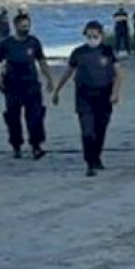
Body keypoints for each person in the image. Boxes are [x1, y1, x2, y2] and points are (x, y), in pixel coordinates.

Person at [54, 20, 122, 177]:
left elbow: (118, 74)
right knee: (87, 131)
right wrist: (57, 90)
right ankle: (89, 163)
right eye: (89, 35)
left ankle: (97, 157)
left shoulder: (108, 51)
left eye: (95, 35)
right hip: (84, 96)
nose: (92, 38)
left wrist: (115, 93)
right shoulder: (79, 52)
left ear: (101, 35)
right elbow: (68, 72)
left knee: (100, 130)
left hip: (104, 95)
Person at [0, 12, 52, 159]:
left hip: (31, 84)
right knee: (13, 117)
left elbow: (42, 61)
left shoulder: (34, 42)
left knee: (35, 116)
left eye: (28, 25)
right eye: (23, 25)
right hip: (12, 85)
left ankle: (36, 146)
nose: (26, 28)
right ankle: (16, 146)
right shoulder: (6, 44)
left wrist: (49, 78)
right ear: (16, 26)